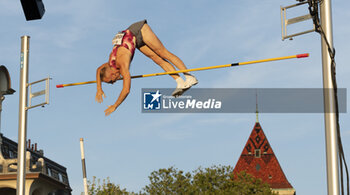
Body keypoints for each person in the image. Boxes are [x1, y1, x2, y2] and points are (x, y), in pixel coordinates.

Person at [95, 20, 198, 116]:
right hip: (133, 39)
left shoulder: (122, 65)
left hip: (138, 30)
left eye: (111, 81)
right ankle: (180, 82)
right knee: (157, 59)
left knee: (163, 53)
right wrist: (99, 88)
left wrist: (115, 105)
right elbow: (98, 70)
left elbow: (126, 90)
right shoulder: (110, 63)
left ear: (112, 74)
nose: (113, 83)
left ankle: (189, 77)